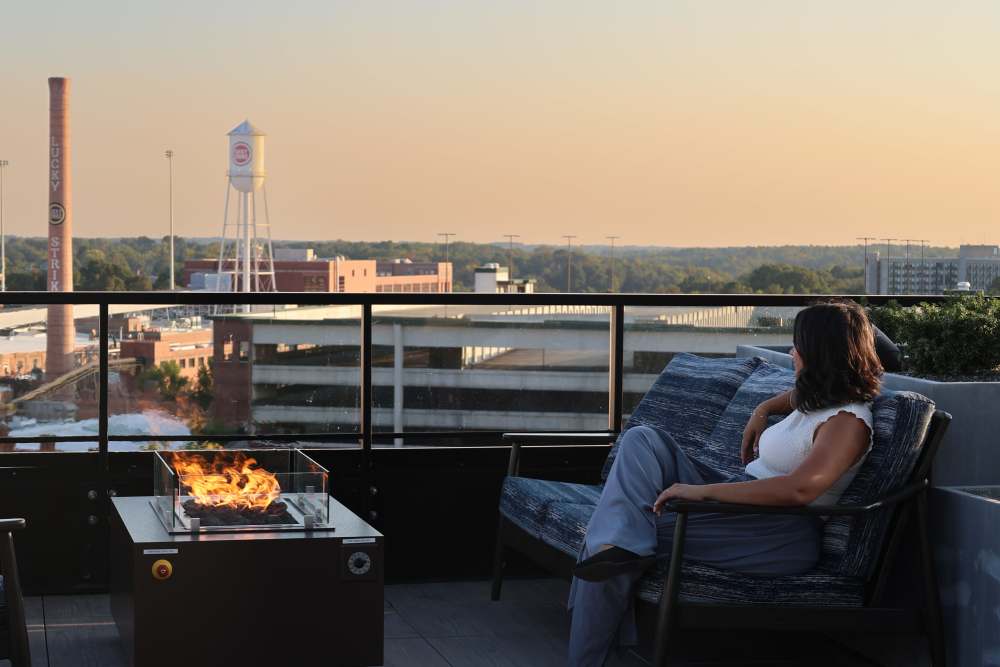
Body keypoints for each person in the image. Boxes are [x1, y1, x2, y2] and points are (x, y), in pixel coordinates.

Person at [567, 300, 883, 666]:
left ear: (821, 353)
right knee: (642, 440)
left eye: (799, 346)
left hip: (778, 532)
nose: (792, 352)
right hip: (740, 504)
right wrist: (761, 410)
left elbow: (799, 489)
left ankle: (589, 655)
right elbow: (791, 399)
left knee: (613, 534)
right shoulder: (819, 398)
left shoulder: (848, 423)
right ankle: (620, 546)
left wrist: (699, 492)